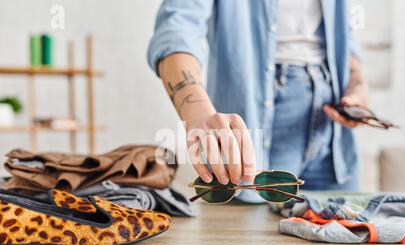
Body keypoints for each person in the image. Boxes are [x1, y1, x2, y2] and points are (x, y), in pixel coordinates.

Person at [147, 0, 369, 202]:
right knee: (248, 239)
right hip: (255, 121)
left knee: (345, 236)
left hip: (334, 137)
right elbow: (177, 28)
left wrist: (356, 80)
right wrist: (197, 113)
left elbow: (344, 36)